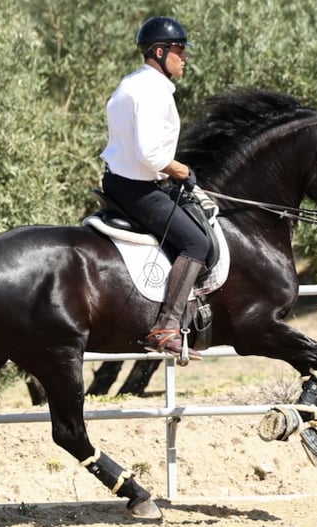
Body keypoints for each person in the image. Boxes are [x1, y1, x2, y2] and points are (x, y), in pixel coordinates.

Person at [100, 16, 210, 361]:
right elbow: (151, 154)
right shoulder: (151, 91)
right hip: (138, 188)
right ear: (159, 51)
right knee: (196, 241)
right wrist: (182, 170)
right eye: (179, 49)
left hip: (121, 182)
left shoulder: (130, 84)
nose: (184, 56)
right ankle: (166, 326)